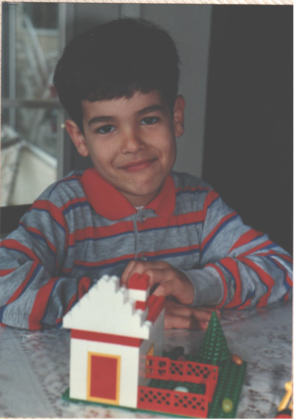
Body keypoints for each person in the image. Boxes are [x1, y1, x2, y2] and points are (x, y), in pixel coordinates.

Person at [0, 18, 291, 331]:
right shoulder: (63, 209)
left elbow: (282, 270)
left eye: (149, 119)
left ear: (176, 116)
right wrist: (115, 309)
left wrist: (193, 285)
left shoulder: (200, 205)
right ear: (79, 137)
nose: (133, 144)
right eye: (107, 128)